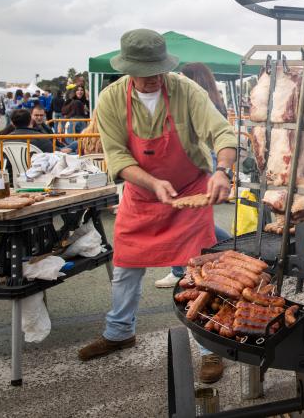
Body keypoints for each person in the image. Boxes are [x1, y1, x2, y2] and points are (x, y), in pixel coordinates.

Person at [77, 29, 237, 385]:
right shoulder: (110, 99)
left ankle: (212, 348)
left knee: (198, 271)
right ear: (127, 69)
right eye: (142, 73)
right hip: (142, 194)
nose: (150, 80)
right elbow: (117, 156)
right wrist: (152, 182)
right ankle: (119, 333)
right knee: (126, 266)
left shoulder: (184, 90)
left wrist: (223, 170)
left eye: (156, 72)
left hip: (191, 187)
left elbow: (221, 133)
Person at [153, 62, 232, 289]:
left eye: (182, 75)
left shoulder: (199, 99)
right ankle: (231, 248)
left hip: (203, 163)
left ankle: (181, 269)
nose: (177, 79)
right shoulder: (212, 99)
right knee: (194, 219)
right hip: (206, 162)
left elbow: (212, 136)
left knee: (188, 219)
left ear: (193, 79)